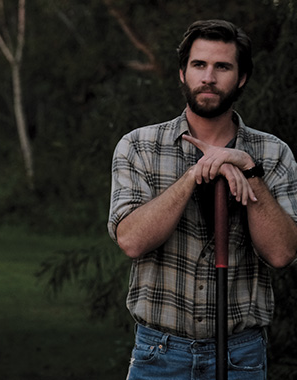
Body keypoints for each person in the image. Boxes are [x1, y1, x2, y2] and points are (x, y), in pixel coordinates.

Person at [108, 19, 297, 380]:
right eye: (199, 65)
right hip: (158, 355)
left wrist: (250, 171)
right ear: (182, 73)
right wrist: (194, 175)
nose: (208, 77)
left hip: (241, 355)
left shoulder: (273, 154)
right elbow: (131, 241)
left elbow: (282, 253)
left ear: (241, 78)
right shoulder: (139, 146)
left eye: (222, 66)